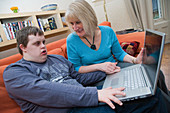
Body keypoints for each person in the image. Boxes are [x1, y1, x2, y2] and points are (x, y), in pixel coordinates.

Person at [3, 26, 168, 113]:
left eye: (44, 42)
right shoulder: (14, 72)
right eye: (37, 44)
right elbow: (46, 91)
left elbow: (79, 78)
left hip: (86, 99)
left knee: (152, 96)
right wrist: (96, 95)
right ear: (23, 48)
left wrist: (110, 69)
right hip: (68, 110)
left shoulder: (57, 59)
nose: (43, 47)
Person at [65, 0, 170, 95]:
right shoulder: (71, 40)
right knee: (151, 93)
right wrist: (100, 66)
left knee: (157, 74)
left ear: (88, 18)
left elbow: (119, 54)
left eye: (78, 22)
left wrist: (135, 60)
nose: (75, 27)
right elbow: (76, 68)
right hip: (95, 76)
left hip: (115, 68)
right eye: (71, 23)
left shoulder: (107, 31)